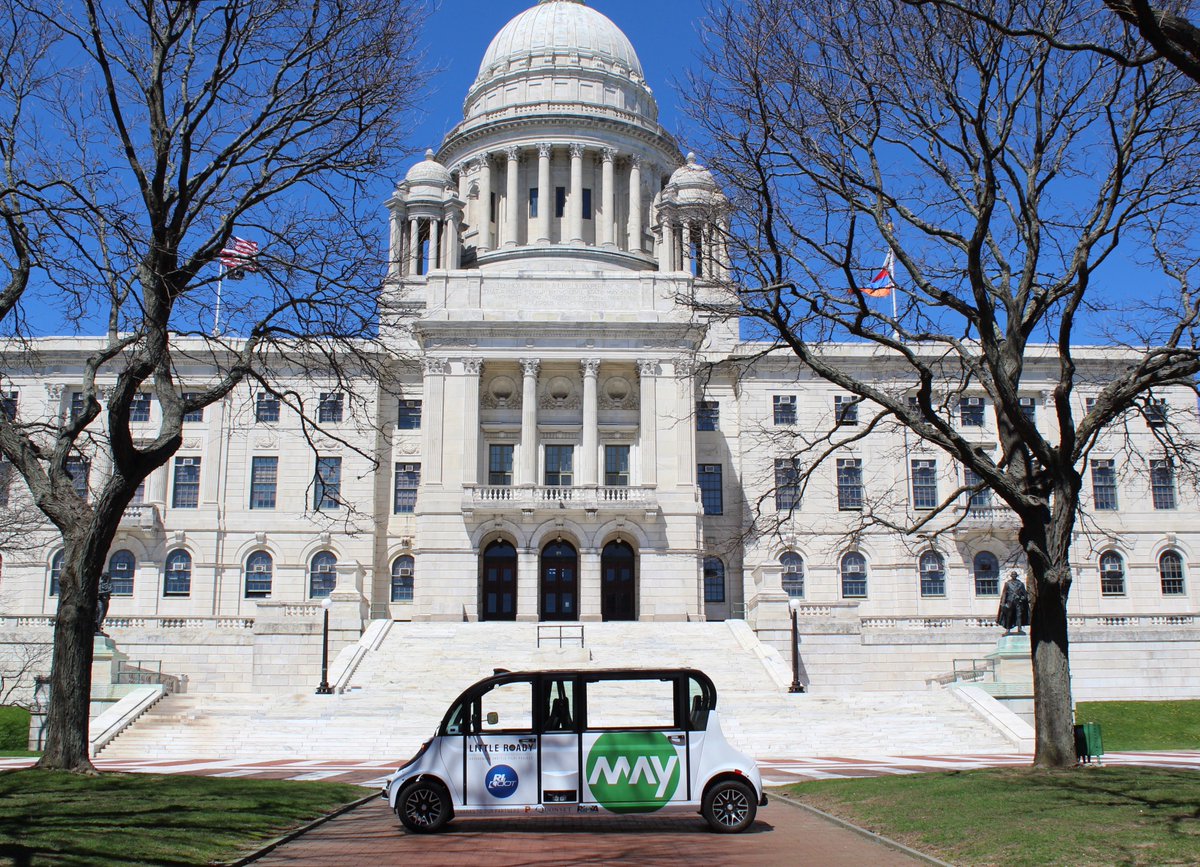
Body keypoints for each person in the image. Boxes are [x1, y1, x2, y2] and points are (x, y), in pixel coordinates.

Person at [996, 571, 1030, 635]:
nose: (1014, 575)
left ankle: (1019, 629)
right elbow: (1004, 593)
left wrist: (1021, 598)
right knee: (1009, 616)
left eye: (1015, 574)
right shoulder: (1007, 584)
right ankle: (1008, 629)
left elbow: (1025, 594)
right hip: (1010, 602)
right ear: (1011, 576)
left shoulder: (1021, 584)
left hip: (1018, 603)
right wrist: (1003, 603)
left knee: (1019, 615)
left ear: (1016, 576)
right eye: (1013, 574)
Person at [94, 571, 112, 635]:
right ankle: (97, 628)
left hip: (106, 601)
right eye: (105, 577)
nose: (106, 579)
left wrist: (103, 592)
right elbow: (98, 593)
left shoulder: (109, 584)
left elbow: (110, 590)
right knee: (101, 613)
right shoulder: (99, 585)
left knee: (103, 614)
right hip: (100, 601)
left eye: (107, 577)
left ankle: (98, 627)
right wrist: (105, 592)